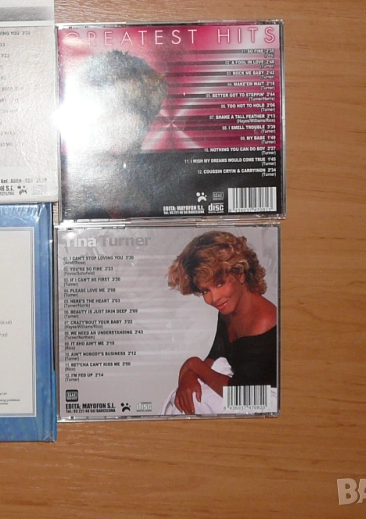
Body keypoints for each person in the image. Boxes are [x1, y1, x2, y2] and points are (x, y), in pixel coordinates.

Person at [165, 231, 277, 414]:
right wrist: (188, 376)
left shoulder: (264, 322)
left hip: (263, 402)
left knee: (190, 403)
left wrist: (193, 365)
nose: (214, 298)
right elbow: (216, 355)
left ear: (240, 273)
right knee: (181, 398)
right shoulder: (228, 312)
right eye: (205, 291)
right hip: (240, 391)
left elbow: (241, 394)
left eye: (219, 283)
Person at [57, 50, 168, 219]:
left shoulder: (156, 182)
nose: (120, 121)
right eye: (109, 108)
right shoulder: (61, 186)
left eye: (133, 109)